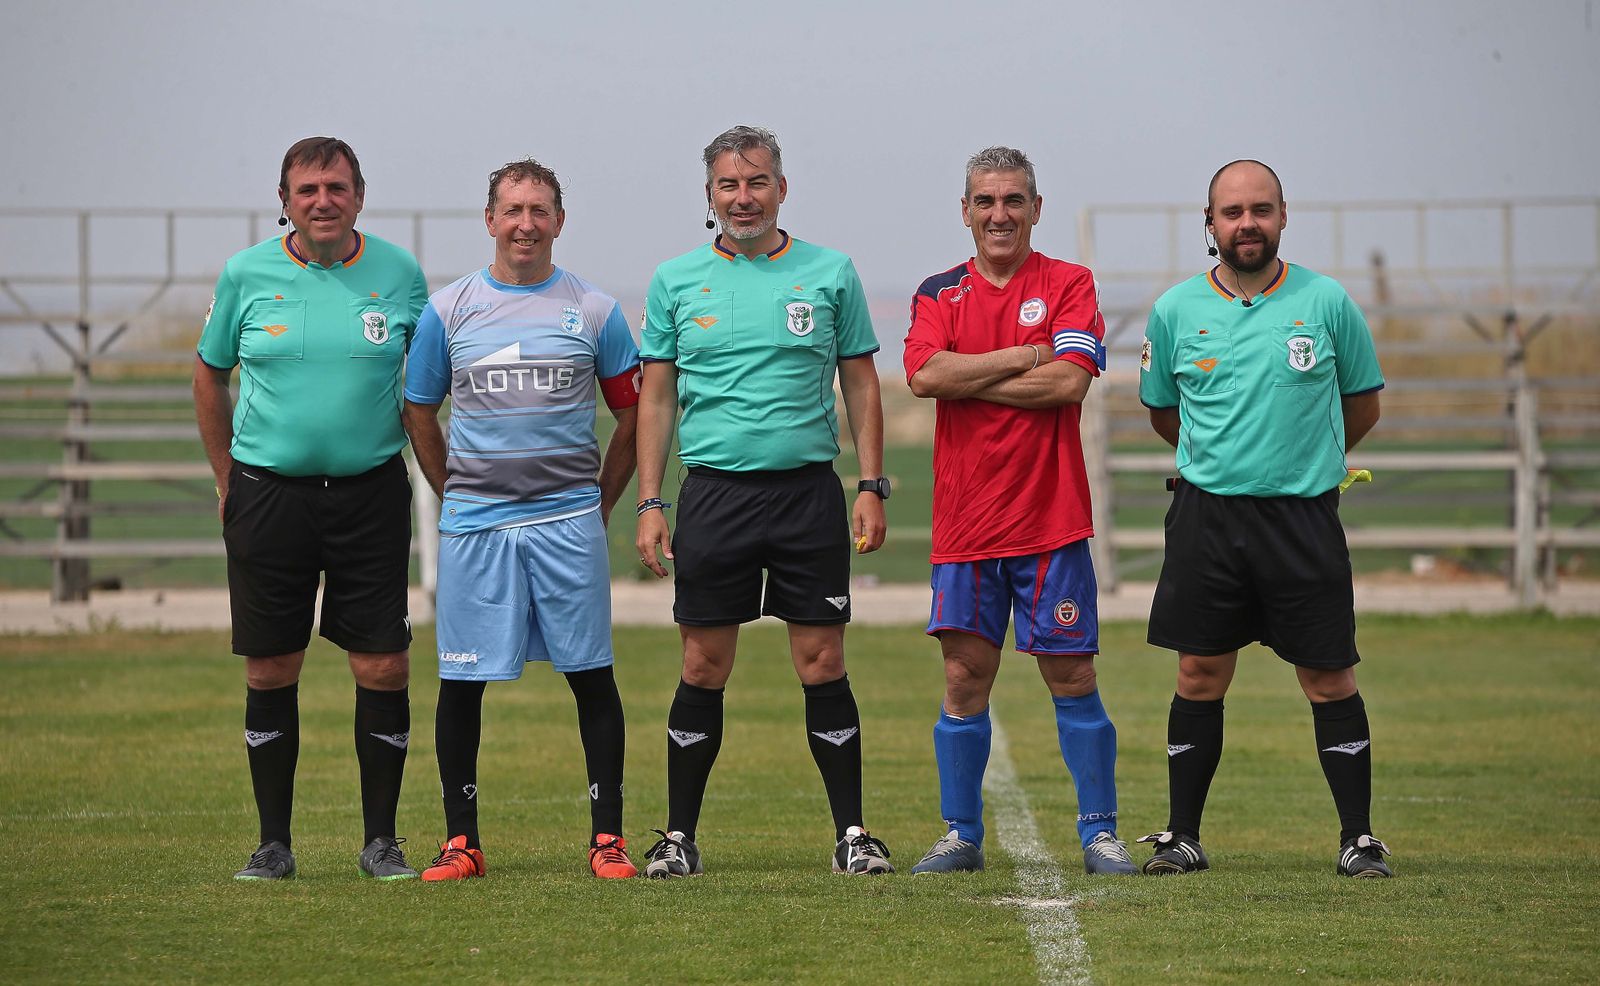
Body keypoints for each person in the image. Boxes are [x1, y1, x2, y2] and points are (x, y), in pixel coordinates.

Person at [634, 125, 893, 878]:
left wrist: (870, 485)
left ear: (782, 189)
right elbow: (657, 398)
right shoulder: (676, 280)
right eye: (728, 185)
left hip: (807, 493)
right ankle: (678, 839)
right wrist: (650, 502)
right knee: (703, 662)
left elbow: (860, 383)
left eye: (756, 183)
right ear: (709, 194)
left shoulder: (830, 272)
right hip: (714, 495)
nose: (742, 198)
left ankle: (852, 836)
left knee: (822, 659)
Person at [1136, 159, 1391, 877]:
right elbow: (1163, 413)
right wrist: (1222, 462)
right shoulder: (1175, 310)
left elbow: (1363, 404)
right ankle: (1183, 838)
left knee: (1329, 678)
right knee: (1199, 672)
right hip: (1207, 520)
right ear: (1210, 224)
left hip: (1302, 520)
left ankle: (1358, 840)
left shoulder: (1327, 301)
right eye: (1232, 212)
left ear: (1282, 216)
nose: (1246, 224)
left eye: (1260, 210)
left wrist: (1305, 461)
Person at [194, 137, 428, 881]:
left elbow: (428, 382)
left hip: (370, 493)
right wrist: (228, 479)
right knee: (271, 668)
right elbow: (209, 374)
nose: (322, 201)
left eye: (336, 187)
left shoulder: (400, 273)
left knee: (383, 664)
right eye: (307, 190)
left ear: (359, 196)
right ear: (285, 201)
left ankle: (381, 842)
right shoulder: (245, 274)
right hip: (269, 495)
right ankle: (274, 845)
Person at [402, 159, 642, 881]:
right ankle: (462, 842)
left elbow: (634, 415)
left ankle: (608, 839)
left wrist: (601, 502)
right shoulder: (448, 310)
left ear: (559, 221)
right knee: (461, 683)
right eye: (513, 210)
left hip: (568, 521)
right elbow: (418, 410)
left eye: (539, 211)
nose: (526, 224)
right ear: (490, 220)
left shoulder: (594, 310)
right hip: (477, 526)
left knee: (591, 676)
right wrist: (452, 490)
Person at [902, 147, 1135, 877]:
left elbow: (1069, 385)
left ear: (1036, 208)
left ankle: (1100, 834)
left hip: (1049, 520)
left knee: (1073, 677)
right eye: (985, 201)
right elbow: (923, 375)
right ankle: (960, 835)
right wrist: (1025, 355)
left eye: (1012, 200)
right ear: (965, 211)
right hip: (966, 525)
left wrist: (971, 376)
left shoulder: (1069, 282)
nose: (998, 214)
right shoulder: (939, 292)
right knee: (964, 679)